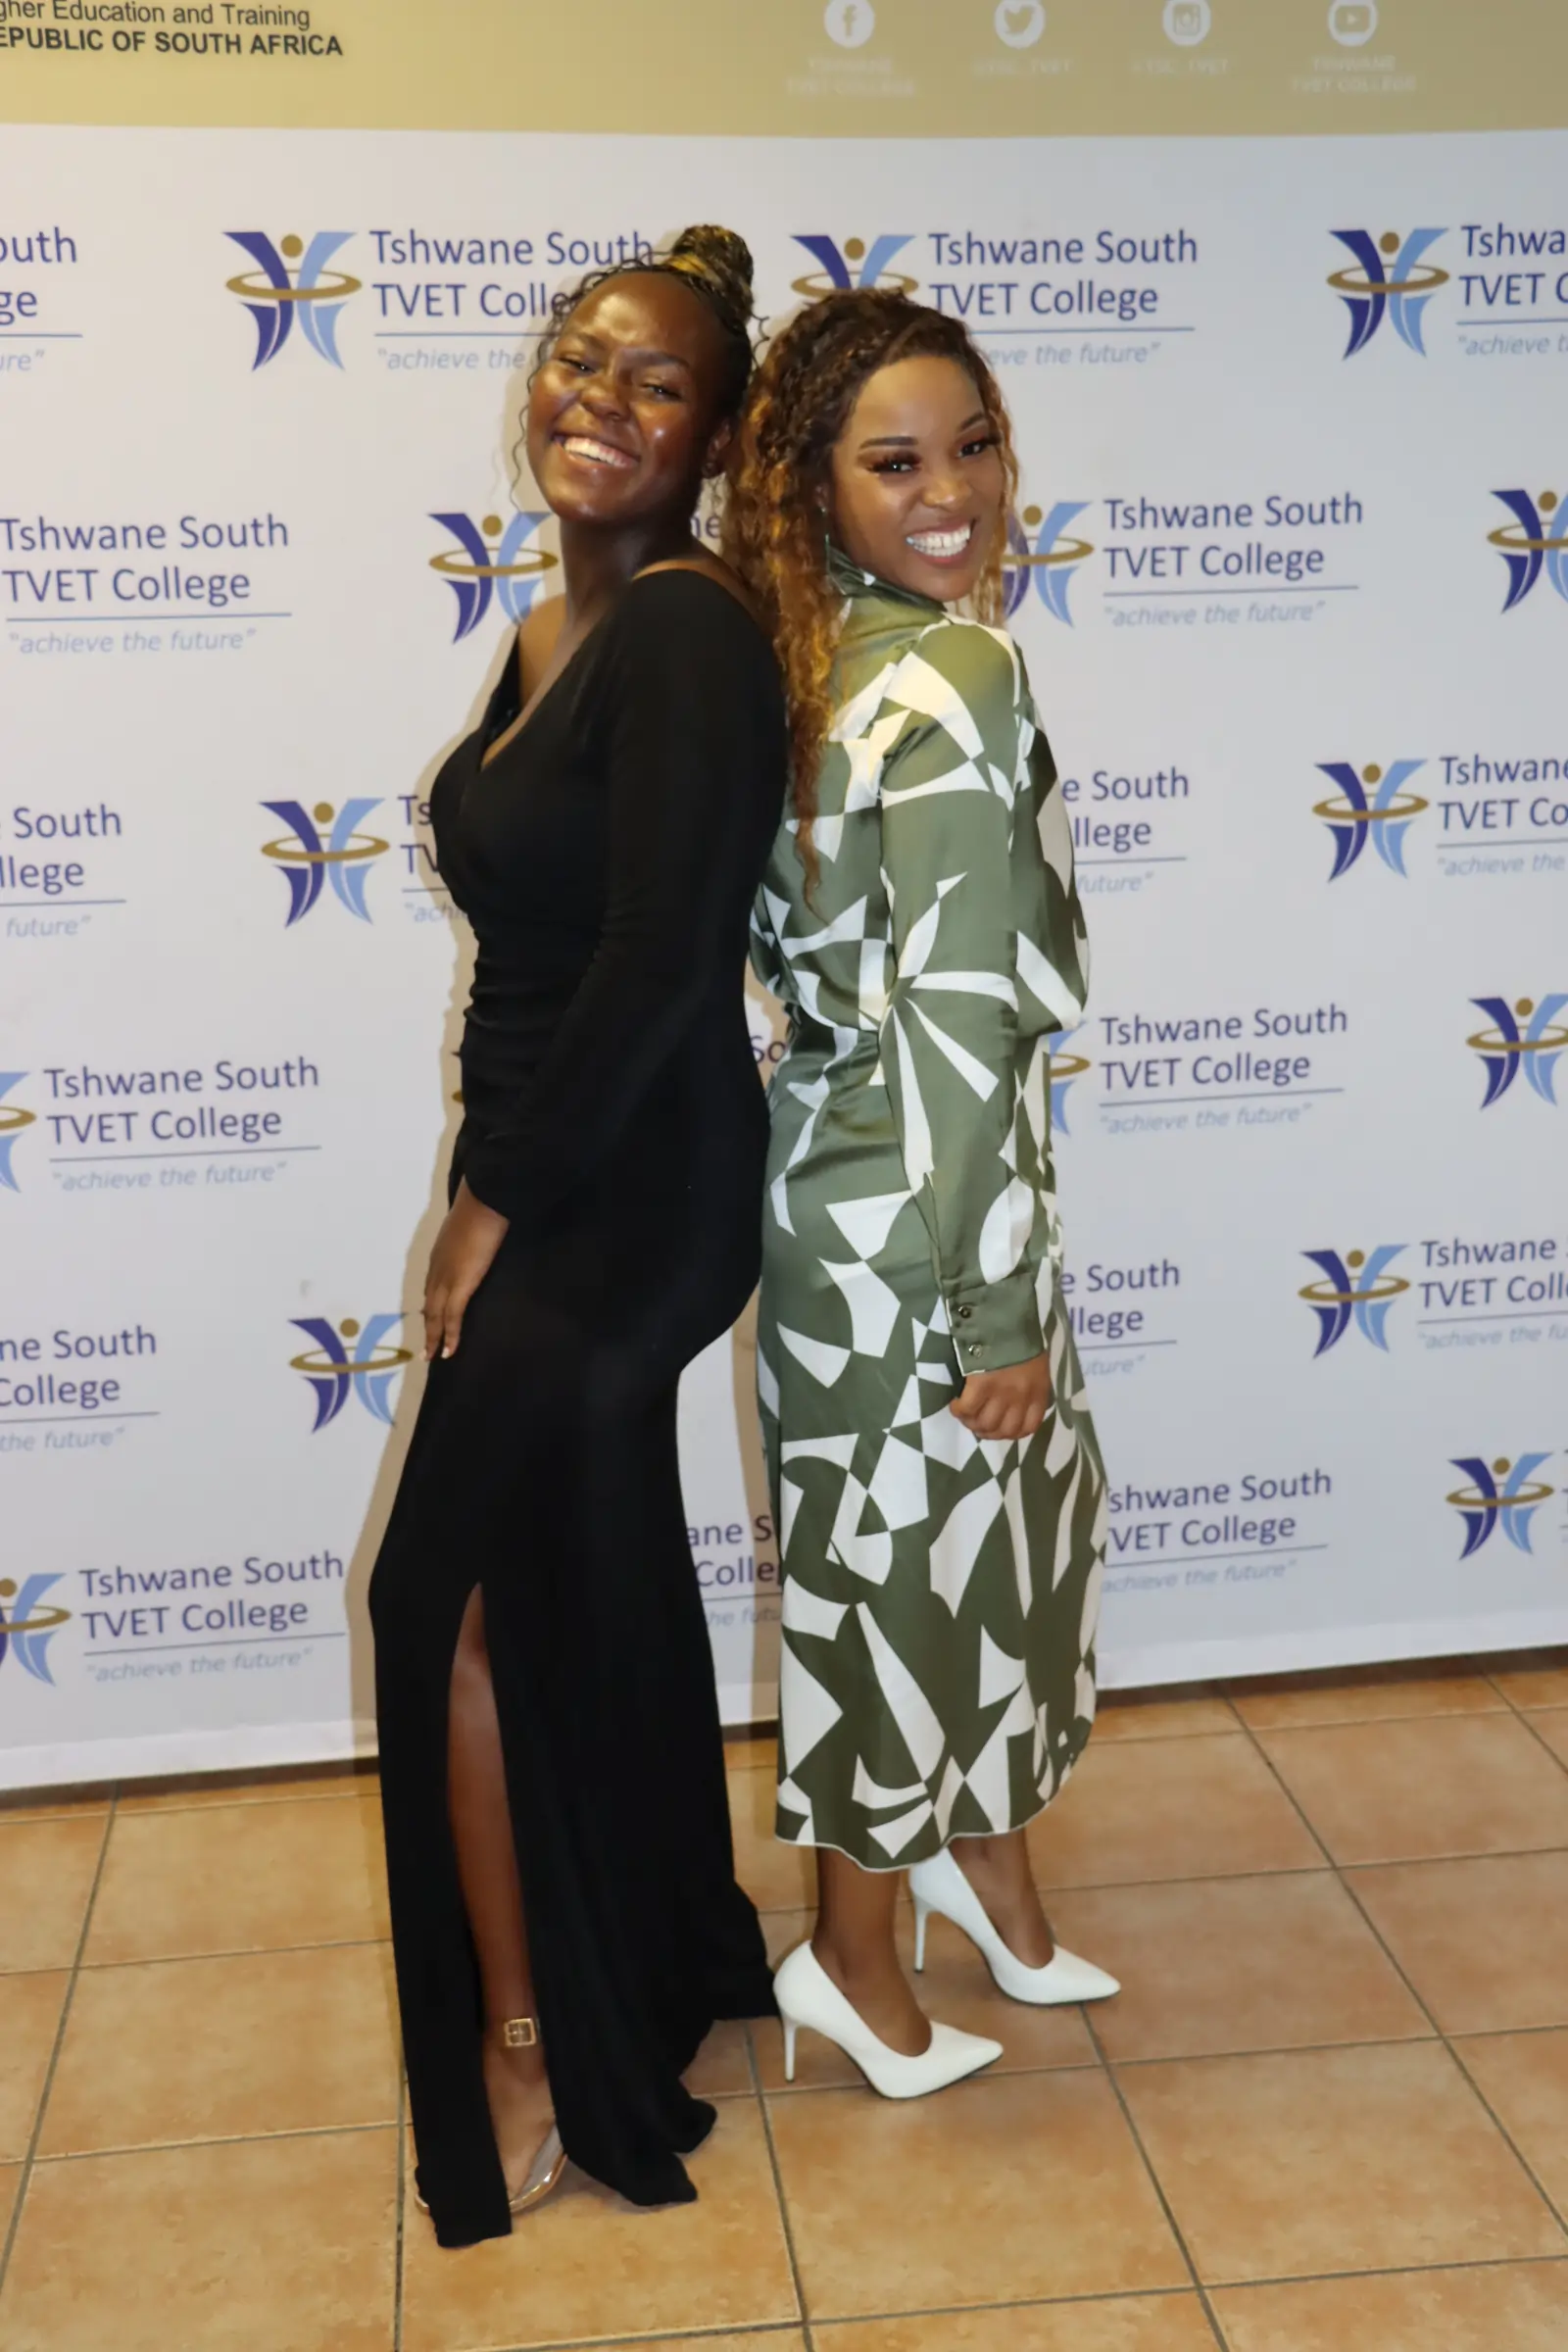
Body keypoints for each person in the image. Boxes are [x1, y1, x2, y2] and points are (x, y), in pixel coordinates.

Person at [368, 225, 787, 2246]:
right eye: (580, 358)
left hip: (637, 1187)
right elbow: (531, 961)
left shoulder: (692, 633)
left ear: (714, 440)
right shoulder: (552, 629)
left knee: (436, 1599)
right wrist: (492, 1163)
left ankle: (531, 2053)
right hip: (553, 1155)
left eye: (657, 383)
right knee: (578, 1564)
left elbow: (655, 964)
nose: (600, 402)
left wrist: (490, 1202)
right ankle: (659, 1949)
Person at [726, 289, 1117, 2097]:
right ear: (814, 486)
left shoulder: (805, 661)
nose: (949, 492)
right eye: (893, 462)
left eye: (972, 447)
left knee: (952, 1563)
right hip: (931, 1218)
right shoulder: (959, 674)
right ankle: (854, 1965)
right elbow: (961, 1023)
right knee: (899, 1595)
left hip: (839, 1193)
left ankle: (993, 1891)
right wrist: (996, 1303)